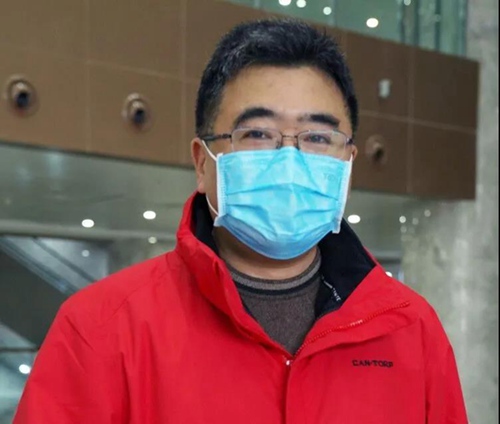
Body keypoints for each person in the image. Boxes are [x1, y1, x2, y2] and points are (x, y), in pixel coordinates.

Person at [14, 18, 468, 423]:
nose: (289, 159)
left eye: (317, 137)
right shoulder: (100, 331)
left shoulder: (410, 331)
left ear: (348, 161)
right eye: (257, 133)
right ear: (203, 161)